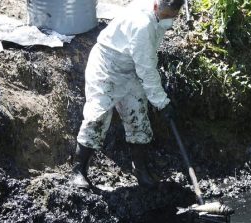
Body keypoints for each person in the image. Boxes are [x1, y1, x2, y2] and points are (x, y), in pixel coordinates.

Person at [71, 0, 184, 190]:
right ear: (156, 6)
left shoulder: (158, 13)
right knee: (97, 117)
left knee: (138, 118)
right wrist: (162, 103)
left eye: (173, 17)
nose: (169, 21)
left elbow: (145, 61)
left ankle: (140, 170)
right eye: (166, 17)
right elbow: (147, 69)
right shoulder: (142, 24)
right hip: (107, 66)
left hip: (130, 69)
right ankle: (78, 170)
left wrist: (158, 100)